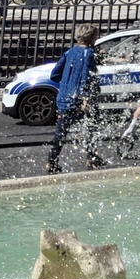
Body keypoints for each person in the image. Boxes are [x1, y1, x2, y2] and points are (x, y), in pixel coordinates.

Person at [45, 24, 98, 173]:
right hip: (79, 99)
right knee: (90, 128)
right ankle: (92, 158)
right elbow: (85, 77)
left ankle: (52, 161)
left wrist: (67, 82)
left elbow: (55, 74)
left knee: (61, 131)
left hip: (64, 98)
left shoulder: (69, 52)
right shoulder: (88, 54)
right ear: (92, 38)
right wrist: (85, 97)